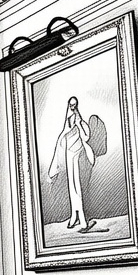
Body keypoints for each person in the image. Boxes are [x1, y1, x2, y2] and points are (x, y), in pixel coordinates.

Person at [48, 96, 98, 231]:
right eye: (71, 105)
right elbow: (63, 138)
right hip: (69, 156)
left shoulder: (81, 122)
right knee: (72, 186)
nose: (72, 107)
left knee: (78, 186)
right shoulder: (67, 123)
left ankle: (82, 219)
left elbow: (86, 137)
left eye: (74, 105)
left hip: (80, 157)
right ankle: (74, 216)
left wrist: (79, 124)